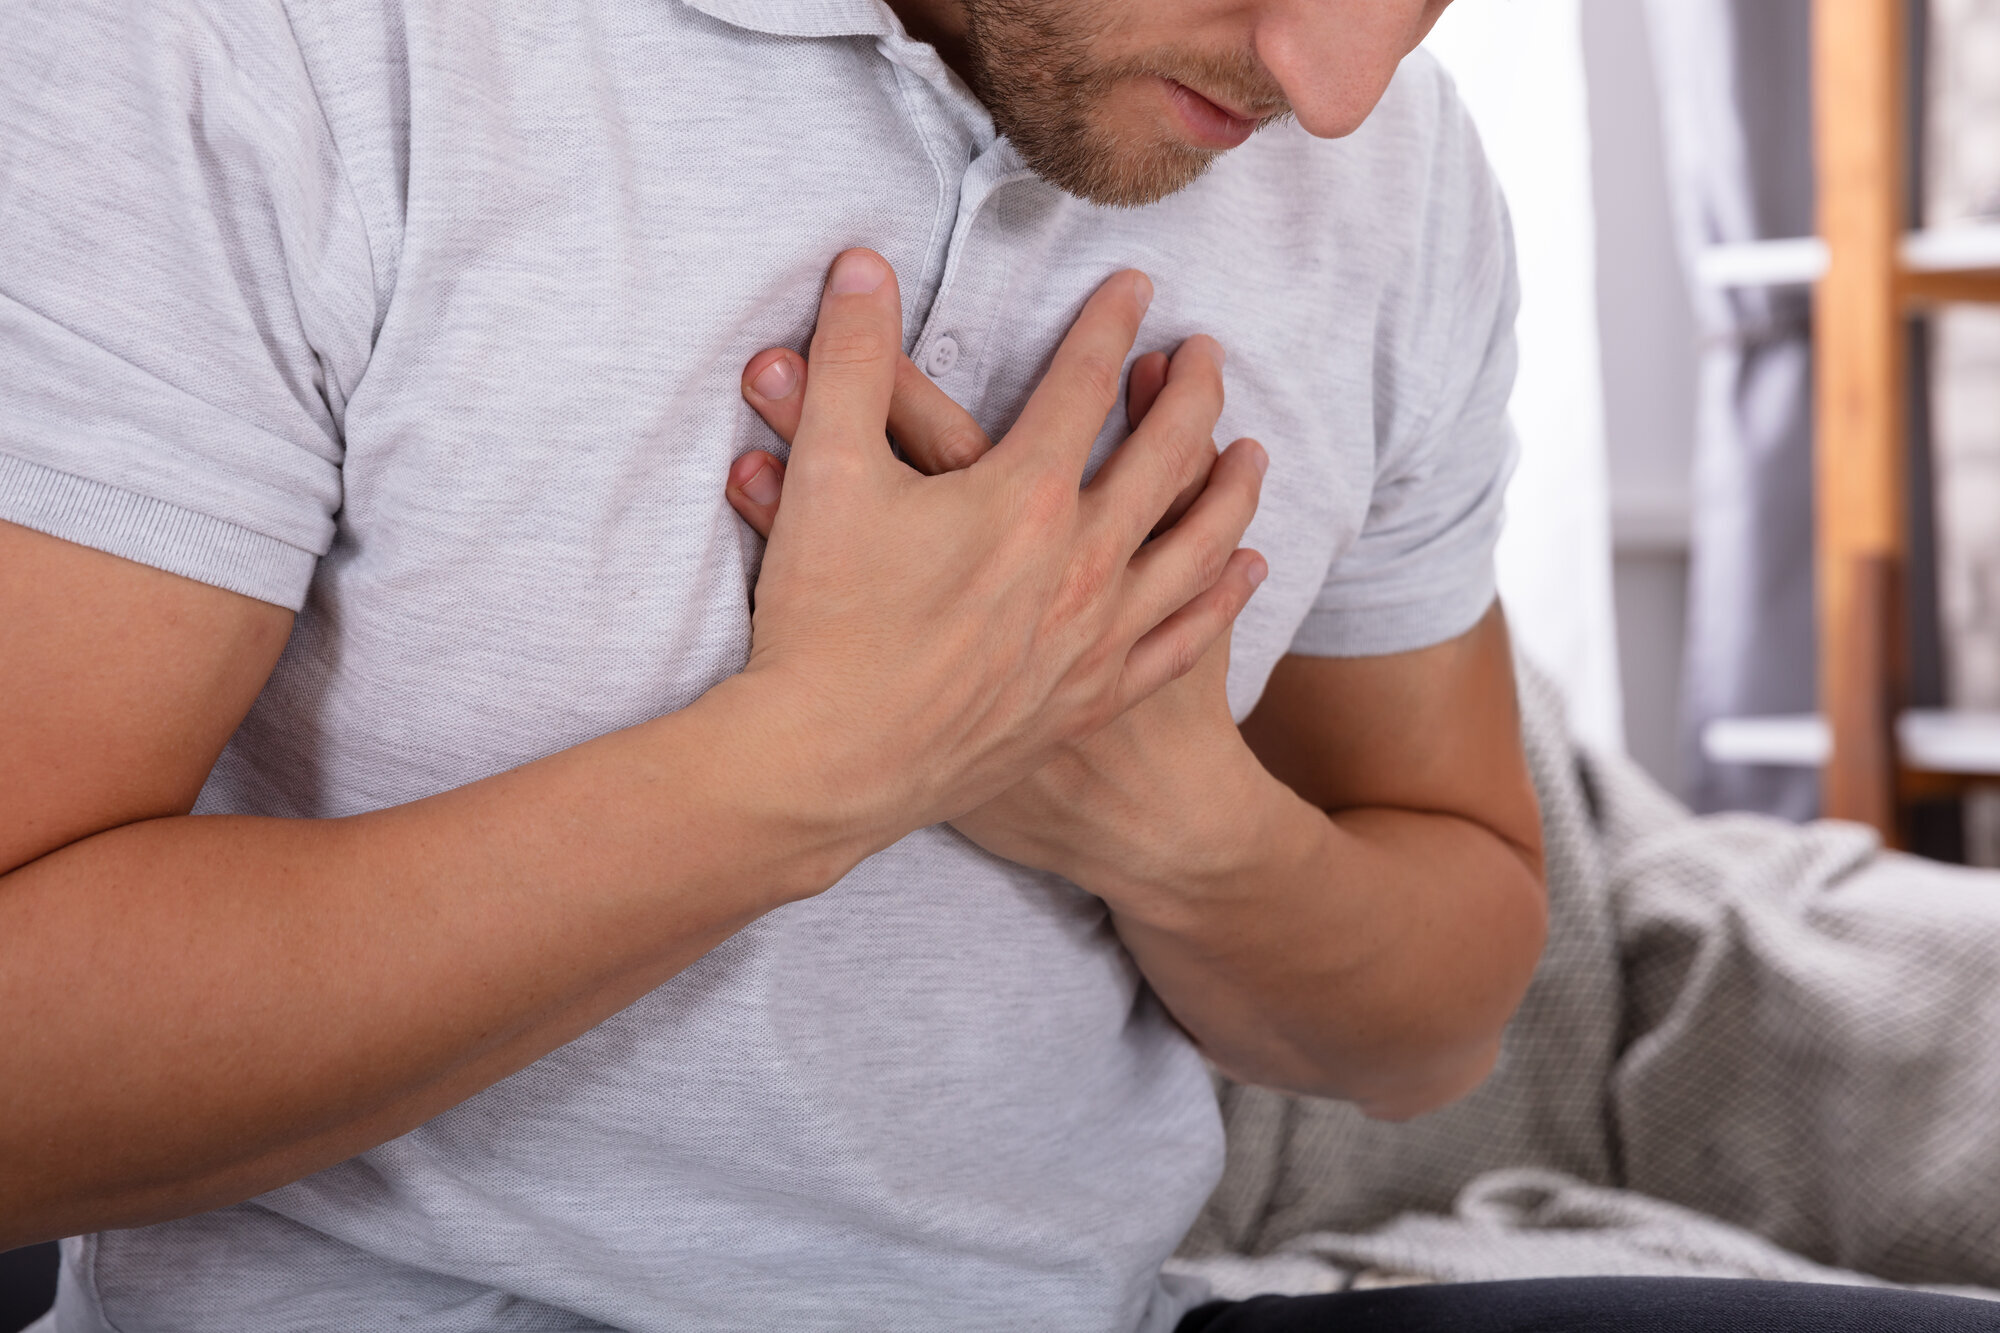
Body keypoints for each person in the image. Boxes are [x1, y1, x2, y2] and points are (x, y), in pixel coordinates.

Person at [0, 0, 1993, 1329]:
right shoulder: (271, 48)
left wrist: (1185, 827)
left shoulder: (1392, 183)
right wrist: (807, 770)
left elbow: (1433, 1013)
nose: (1336, 83)